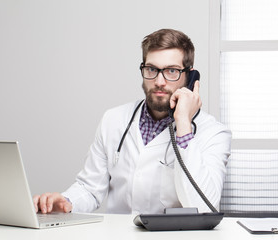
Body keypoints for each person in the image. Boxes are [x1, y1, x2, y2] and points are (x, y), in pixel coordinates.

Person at [33, 28, 231, 215]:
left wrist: (183, 124)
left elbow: (204, 207)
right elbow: (90, 188)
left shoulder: (214, 133)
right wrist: (67, 201)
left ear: (190, 76)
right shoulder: (114, 119)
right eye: (152, 69)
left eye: (171, 71)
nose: (159, 81)